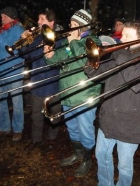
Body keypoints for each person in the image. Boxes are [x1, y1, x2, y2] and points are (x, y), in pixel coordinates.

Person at [85, 20, 140, 186]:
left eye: (127, 35)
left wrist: (120, 56)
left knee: (124, 165)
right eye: (122, 34)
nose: (121, 39)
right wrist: (91, 63)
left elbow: (136, 83)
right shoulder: (119, 55)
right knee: (101, 156)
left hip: (129, 123)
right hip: (108, 118)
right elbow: (100, 73)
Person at [44, 9, 101, 177]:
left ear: (83, 26)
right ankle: (77, 153)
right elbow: (55, 61)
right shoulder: (71, 43)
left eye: (74, 24)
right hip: (68, 94)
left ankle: (87, 160)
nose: (70, 26)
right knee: (72, 128)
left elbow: (85, 60)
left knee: (86, 131)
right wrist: (49, 53)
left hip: (84, 96)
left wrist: (74, 42)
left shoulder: (92, 41)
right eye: (70, 23)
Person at [21, 9, 62, 152]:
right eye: (38, 19)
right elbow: (26, 55)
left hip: (54, 86)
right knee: (36, 115)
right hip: (37, 83)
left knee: (54, 116)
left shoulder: (60, 37)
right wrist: (25, 41)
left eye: (41, 19)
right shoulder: (37, 38)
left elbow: (62, 60)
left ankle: (52, 138)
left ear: (51, 22)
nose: (38, 22)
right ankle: (36, 139)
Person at [0, 6, 25, 141]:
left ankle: (18, 129)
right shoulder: (1, 31)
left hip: (13, 71)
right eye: (1, 16)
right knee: (0, 101)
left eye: (4, 16)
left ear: (11, 17)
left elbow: (12, 49)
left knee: (16, 102)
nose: (1, 19)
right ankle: (4, 127)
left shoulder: (20, 31)